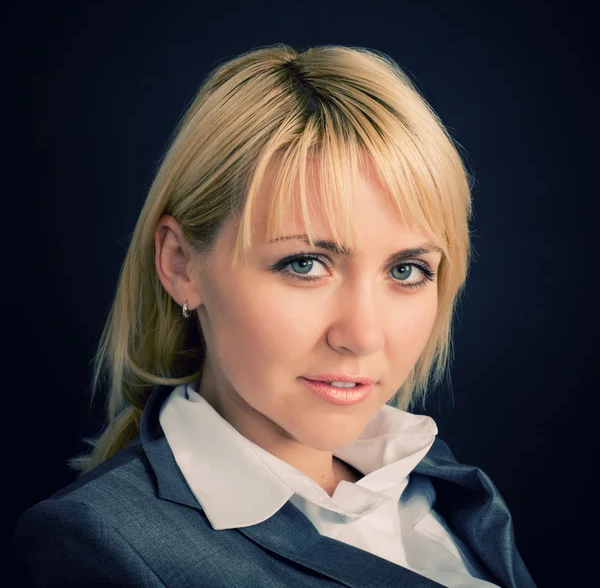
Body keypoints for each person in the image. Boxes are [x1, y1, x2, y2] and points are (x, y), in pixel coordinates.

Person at [13, 44, 537, 587]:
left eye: (406, 271)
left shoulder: (440, 481)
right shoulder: (97, 544)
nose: (361, 335)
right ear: (180, 264)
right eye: (305, 264)